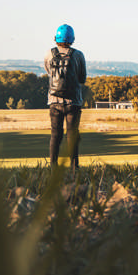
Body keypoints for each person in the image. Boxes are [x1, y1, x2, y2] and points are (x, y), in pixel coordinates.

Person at [44, 24, 87, 171]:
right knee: (72, 134)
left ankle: (53, 166)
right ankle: (74, 167)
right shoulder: (78, 55)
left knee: (55, 134)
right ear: (72, 39)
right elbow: (82, 78)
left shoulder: (49, 54)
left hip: (54, 101)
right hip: (73, 102)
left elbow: (48, 71)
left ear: (56, 38)